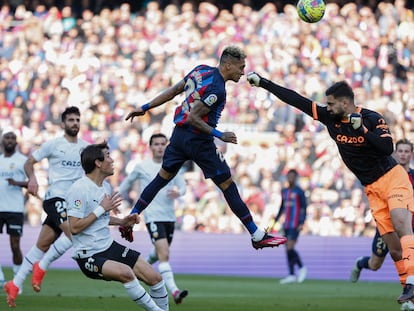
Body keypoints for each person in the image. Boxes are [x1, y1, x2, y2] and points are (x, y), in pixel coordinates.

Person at [247, 73, 414, 305]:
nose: (327, 107)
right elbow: (296, 100)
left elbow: (387, 148)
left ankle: (412, 283)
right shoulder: (329, 117)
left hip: (392, 177)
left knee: (401, 223)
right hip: (372, 189)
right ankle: (410, 296)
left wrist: (363, 132)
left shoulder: (371, 118)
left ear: (345, 103)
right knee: (395, 251)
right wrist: (264, 83)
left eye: (331, 103)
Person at [120, 45, 287, 250]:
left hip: (178, 136)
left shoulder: (200, 70)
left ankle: (132, 216)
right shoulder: (217, 89)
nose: (243, 72)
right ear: (227, 65)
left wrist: (144, 108)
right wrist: (220, 135)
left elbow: (174, 91)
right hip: (198, 141)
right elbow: (193, 118)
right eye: (240, 67)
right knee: (227, 185)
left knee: (161, 179)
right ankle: (256, 234)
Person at [67, 142, 169, 311]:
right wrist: (102, 208)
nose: (112, 160)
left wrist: (122, 222)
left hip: (108, 246)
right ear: (98, 163)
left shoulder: (105, 187)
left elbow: (99, 219)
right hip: (89, 254)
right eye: (108, 156)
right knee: (126, 273)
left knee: (155, 278)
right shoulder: (79, 189)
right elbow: (75, 227)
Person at [4, 106, 89, 307]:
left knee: (41, 246)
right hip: (55, 198)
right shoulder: (53, 145)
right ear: (63, 124)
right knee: (75, 234)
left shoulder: (86, 148)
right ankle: (41, 266)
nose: (75, 123)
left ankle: (14, 284)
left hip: (73, 203)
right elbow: (29, 162)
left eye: (77, 120)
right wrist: (32, 178)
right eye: (71, 120)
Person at [119, 133, 188, 304]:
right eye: (156, 144)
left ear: (167, 146)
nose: (160, 147)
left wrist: (179, 192)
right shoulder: (142, 166)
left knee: (158, 253)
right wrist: (115, 201)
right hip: (152, 216)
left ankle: (137, 268)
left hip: (169, 217)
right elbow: (126, 184)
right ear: (150, 147)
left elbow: (183, 186)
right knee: (164, 254)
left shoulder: (172, 165)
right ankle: (174, 291)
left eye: (163, 144)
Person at [350, 138, 414, 310]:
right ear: (394, 153)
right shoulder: (384, 174)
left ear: (411, 154)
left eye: (407, 151)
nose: (403, 154)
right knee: (375, 264)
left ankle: (408, 299)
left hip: (408, 226)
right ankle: (360, 263)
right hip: (388, 226)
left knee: (407, 256)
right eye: (400, 151)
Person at [0, 129, 28, 288]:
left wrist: (17, 183)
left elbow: (32, 182)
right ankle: (0, 276)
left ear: (16, 142)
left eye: (12, 138)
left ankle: (17, 281)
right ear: (3, 142)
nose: (9, 140)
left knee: (15, 246)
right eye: (7, 138)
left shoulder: (23, 160)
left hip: (14, 209)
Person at [275, 169, 308, 284]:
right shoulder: (284, 191)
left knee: (289, 247)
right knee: (287, 249)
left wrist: (302, 222)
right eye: (289, 176)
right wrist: (275, 221)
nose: (291, 179)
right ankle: (291, 274)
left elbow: (304, 208)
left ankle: (302, 268)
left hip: (295, 224)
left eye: (293, 176)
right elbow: (282, 207)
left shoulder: (299, 192)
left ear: (296, 178)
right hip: (286, 224)